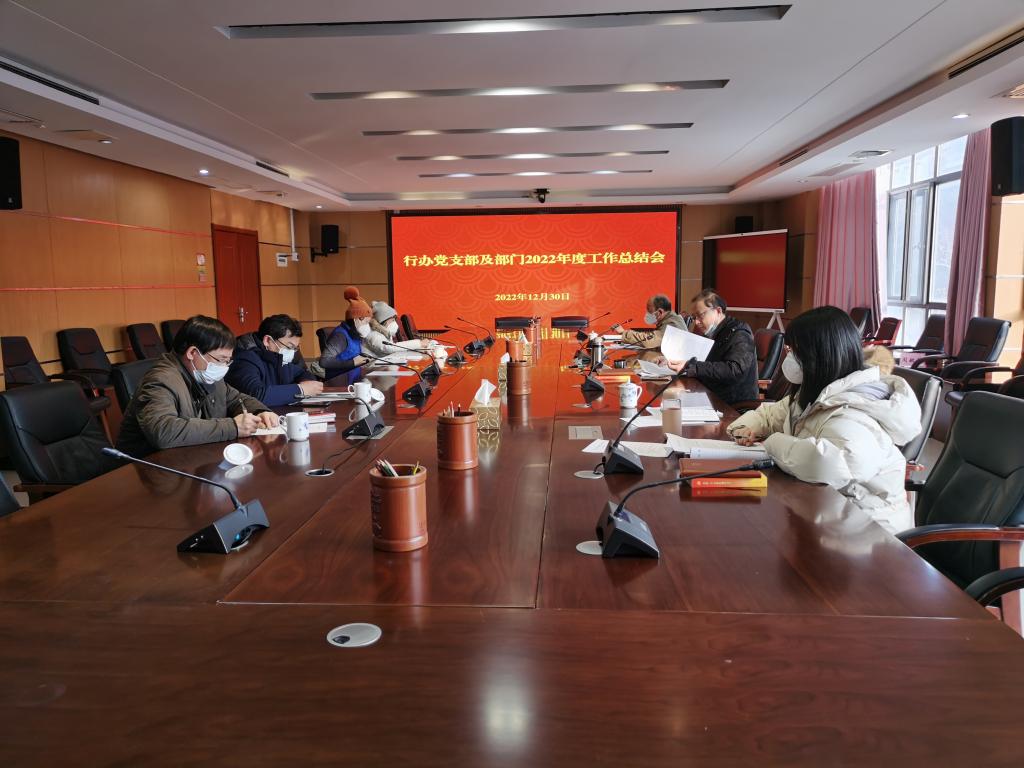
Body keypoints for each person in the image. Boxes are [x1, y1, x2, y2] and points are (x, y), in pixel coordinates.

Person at [726, 305, 922, 534]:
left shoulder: (855, 410)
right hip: (829, 515)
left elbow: (829, 464)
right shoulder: (816, 394)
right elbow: (769, 415)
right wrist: (745, 428)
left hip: (871, 534)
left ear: (819, 355)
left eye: (794, 351)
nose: (788, 358)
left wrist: (771, 443)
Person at [117, 315, 278, 457]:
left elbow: (236, 399)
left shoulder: (206, 373)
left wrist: (260, 411)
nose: (224, 367)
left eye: (227, 361)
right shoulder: (160, 380)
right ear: (192, 353)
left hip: (190, 458)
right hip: (145, 468)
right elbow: (163, 431)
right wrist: (232, 427)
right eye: (221, 360)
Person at [662, 289, 758, 405]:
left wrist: (693, 367)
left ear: (718, 311)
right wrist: (673, 359)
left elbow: (735, 370)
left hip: (733, 403)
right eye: (694, 317)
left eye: (700, 316)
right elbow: (698, 359)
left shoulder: (739, 333)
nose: (696, 322)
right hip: (709, 394)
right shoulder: (712, 333)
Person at [226, 314, 323, 407]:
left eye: (295, 348)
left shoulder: (279, 357)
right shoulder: (244, 359)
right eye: (289, 347)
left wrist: (306, 382)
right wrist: (300, 390)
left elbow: (302, 372)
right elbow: (256, 394)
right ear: (268, 340)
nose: (292, 352)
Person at [319, 287, 373, 374]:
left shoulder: (355, 333)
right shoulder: (340, 336)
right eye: (366, 322)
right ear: (357, 319)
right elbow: (324, 361)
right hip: (339, 379)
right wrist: (352, 363)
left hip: (353, 377)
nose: (367, 326)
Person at [611, 294, 687, 350]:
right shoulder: (668, 320)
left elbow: (648, 340)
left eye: (649, 311)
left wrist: (624, 332)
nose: (647, 314)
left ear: (660, 312)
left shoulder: (672, 324)